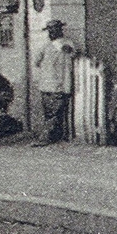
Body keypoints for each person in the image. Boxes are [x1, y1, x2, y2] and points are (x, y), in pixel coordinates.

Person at [33, 18, 78, 146]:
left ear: (60, 30)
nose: (52, 32)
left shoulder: (67, 44)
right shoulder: (45, 45)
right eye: (50, 30)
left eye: (54, 30)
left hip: (60, 83)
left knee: (55, 111)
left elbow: (74, 54)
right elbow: (36, 61)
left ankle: (48, 137)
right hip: (47, 83)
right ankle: (54, 135)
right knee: (50, 111)